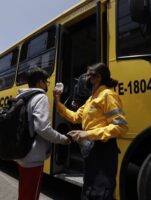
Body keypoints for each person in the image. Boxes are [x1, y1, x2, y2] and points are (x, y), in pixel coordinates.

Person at [54, 63, 128, 200]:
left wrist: (87, 134)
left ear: (98, 77)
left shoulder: (108, 95)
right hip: (91, 151)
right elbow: (75, 117)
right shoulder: (90, 99)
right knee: (90, 190)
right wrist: (57, 101)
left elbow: (121, 127)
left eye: (88, 75)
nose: (85, 78)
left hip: (104, 150)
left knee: (100, 192)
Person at [15, 67, 70, 200]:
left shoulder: (21, 97)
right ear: (40, 82)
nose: (46, 85)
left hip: (22, 153)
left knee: (24, 193)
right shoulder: (40, 97)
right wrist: (63, 139)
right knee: (31, 196)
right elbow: (43, 128)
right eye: (46, 82)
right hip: (33, 157)